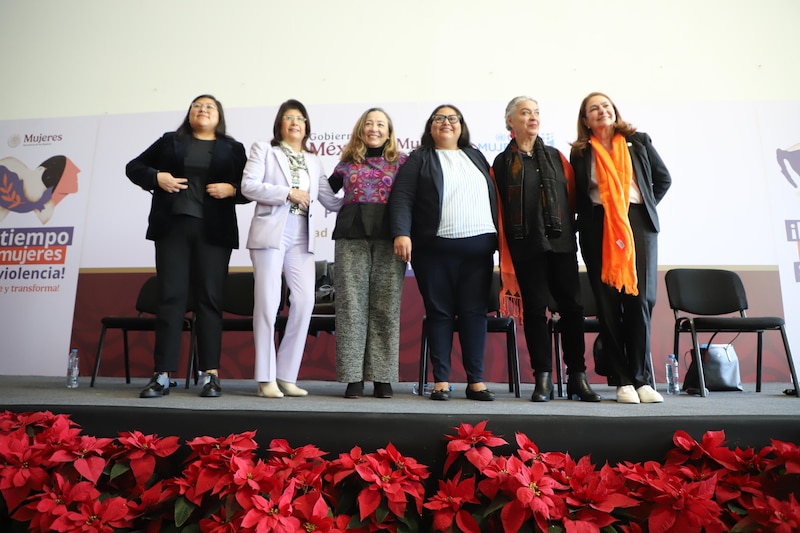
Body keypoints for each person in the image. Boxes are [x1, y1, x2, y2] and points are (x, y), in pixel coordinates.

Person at [126, 94, 248, 399]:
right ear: (189, 113)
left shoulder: (233, 148)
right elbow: (133, 167)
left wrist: (232, 189)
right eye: (197, 106)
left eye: (209, 107)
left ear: (219, 116)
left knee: (210, 299)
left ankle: (210, 375)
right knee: (171, 298)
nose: (203, 110)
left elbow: (251, 186)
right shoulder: (170, 142)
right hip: (173, 229)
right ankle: (162, 375)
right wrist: (157, 177)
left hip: (214, 232)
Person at [492, 96, 601, 403]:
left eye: (536, 112)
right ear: (510, 122)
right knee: (535, 311)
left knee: (572, 308)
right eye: (525, 112)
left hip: (562, 243)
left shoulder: (556, 156)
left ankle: (577, 376)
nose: (533, 117)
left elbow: (572, 198)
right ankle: (543, 378)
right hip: (526, 246)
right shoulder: (502, 163)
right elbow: (499, 207)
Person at [390, 104, 498, 401]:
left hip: (479, 250)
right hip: (434, 250)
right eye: (440, 119)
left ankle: (476, 381)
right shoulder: (419, 159)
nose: (447, 123)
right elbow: (402, 198)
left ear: (461, 126)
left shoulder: (475, 156)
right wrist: (402, 232)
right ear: (430, 127)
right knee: (439, 313)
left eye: (453, 118)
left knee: (474, 313)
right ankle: (441, 380)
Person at [570, 92, 671, 404]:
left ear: (614, 111)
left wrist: (641, 209)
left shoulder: (637, 141)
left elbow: (662, 179)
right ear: (585, 120)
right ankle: (622, 380)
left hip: (637, 222)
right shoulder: (581, 152)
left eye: (606, 106)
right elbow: (578, 195)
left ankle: (642, 379)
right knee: (607, 304)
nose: (602, 111)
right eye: (593, 109)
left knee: (641, 301)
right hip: (598, 227)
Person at [241, 99, 341, 399]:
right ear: (280, 125)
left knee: (304, 302)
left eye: (300, 118)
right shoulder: (264, 150)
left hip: (302, 235)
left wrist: (361, 189)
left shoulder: (313, 160)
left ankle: (285, 375)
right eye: (288, 117)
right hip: (271, 233)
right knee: (268, 303)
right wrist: (288, 192)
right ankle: (265, 378)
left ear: (307, 126)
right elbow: (248, 186)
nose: (295, 122)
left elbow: (331, 200)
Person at [328, 108, 408, 399]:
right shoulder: (346, 164)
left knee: (385, 306)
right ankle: (353, 378)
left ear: (389, 132)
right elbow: (324, 192)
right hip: (351, 237)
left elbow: (411, 199)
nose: (374, 128)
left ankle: (383, 377)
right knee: (351, 307)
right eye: (369, 124)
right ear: (361, 130)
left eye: (380, 124)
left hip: (391, 238)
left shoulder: (402, 162)